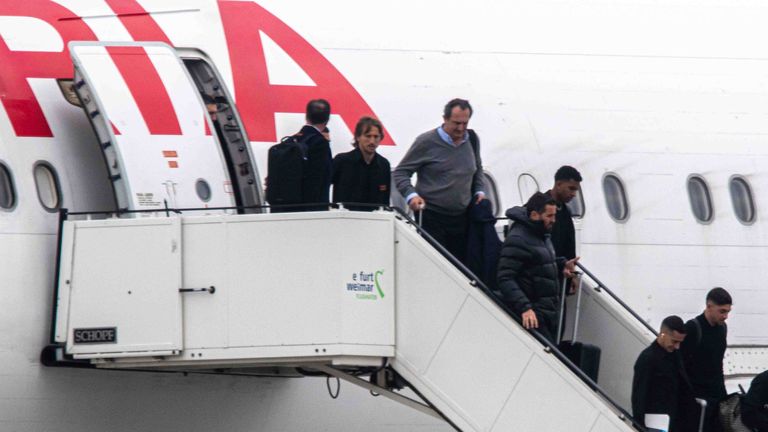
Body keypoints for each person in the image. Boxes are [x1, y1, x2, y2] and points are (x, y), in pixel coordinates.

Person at [393, 98, 485, 263]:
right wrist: (411, 195)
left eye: (465, 123)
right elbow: (401, 172)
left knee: (462, 269)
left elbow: (477, 168)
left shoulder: (471, 139)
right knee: (440, 266)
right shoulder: (426, 142)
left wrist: (479, 190)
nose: (461, 128)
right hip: (432, 216)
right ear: (445, 119)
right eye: (456, 123)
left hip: (462, 217)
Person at [496, 192, 579, 343]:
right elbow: (505, 277)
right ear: (534, 215)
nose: (553, 220)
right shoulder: (518, 238)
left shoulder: (541, 234)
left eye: (554, 216)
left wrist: (561, 265)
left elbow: (540, 262)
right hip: (534, 315)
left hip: (547, 314)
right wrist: (525, 307)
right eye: (549, 216)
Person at [680, 287, 732, 432]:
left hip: (717, 396)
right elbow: (681, 365)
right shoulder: (693, 328)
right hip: (697, 399)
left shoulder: (722, 329)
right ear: (709, 306)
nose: (725, 316)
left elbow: (718, 362)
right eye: (722, 311)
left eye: (728, 311)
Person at [632, 315, 690, 432]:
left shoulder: (674, 355)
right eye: (674, 341)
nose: (677, 346)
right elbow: (639, 395)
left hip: (671, 420)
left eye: (679, 342)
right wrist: (639, 425)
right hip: (654, 421)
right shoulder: (648, 358)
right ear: (663, 335)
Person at [331, 116, 390, 211]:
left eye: (376, 137)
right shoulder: (342, 161)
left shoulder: (384, 165)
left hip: (375, 222)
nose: (372, 141)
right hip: (344, 220)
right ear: (358, 137)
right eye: (368, 136)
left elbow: (385, 202)